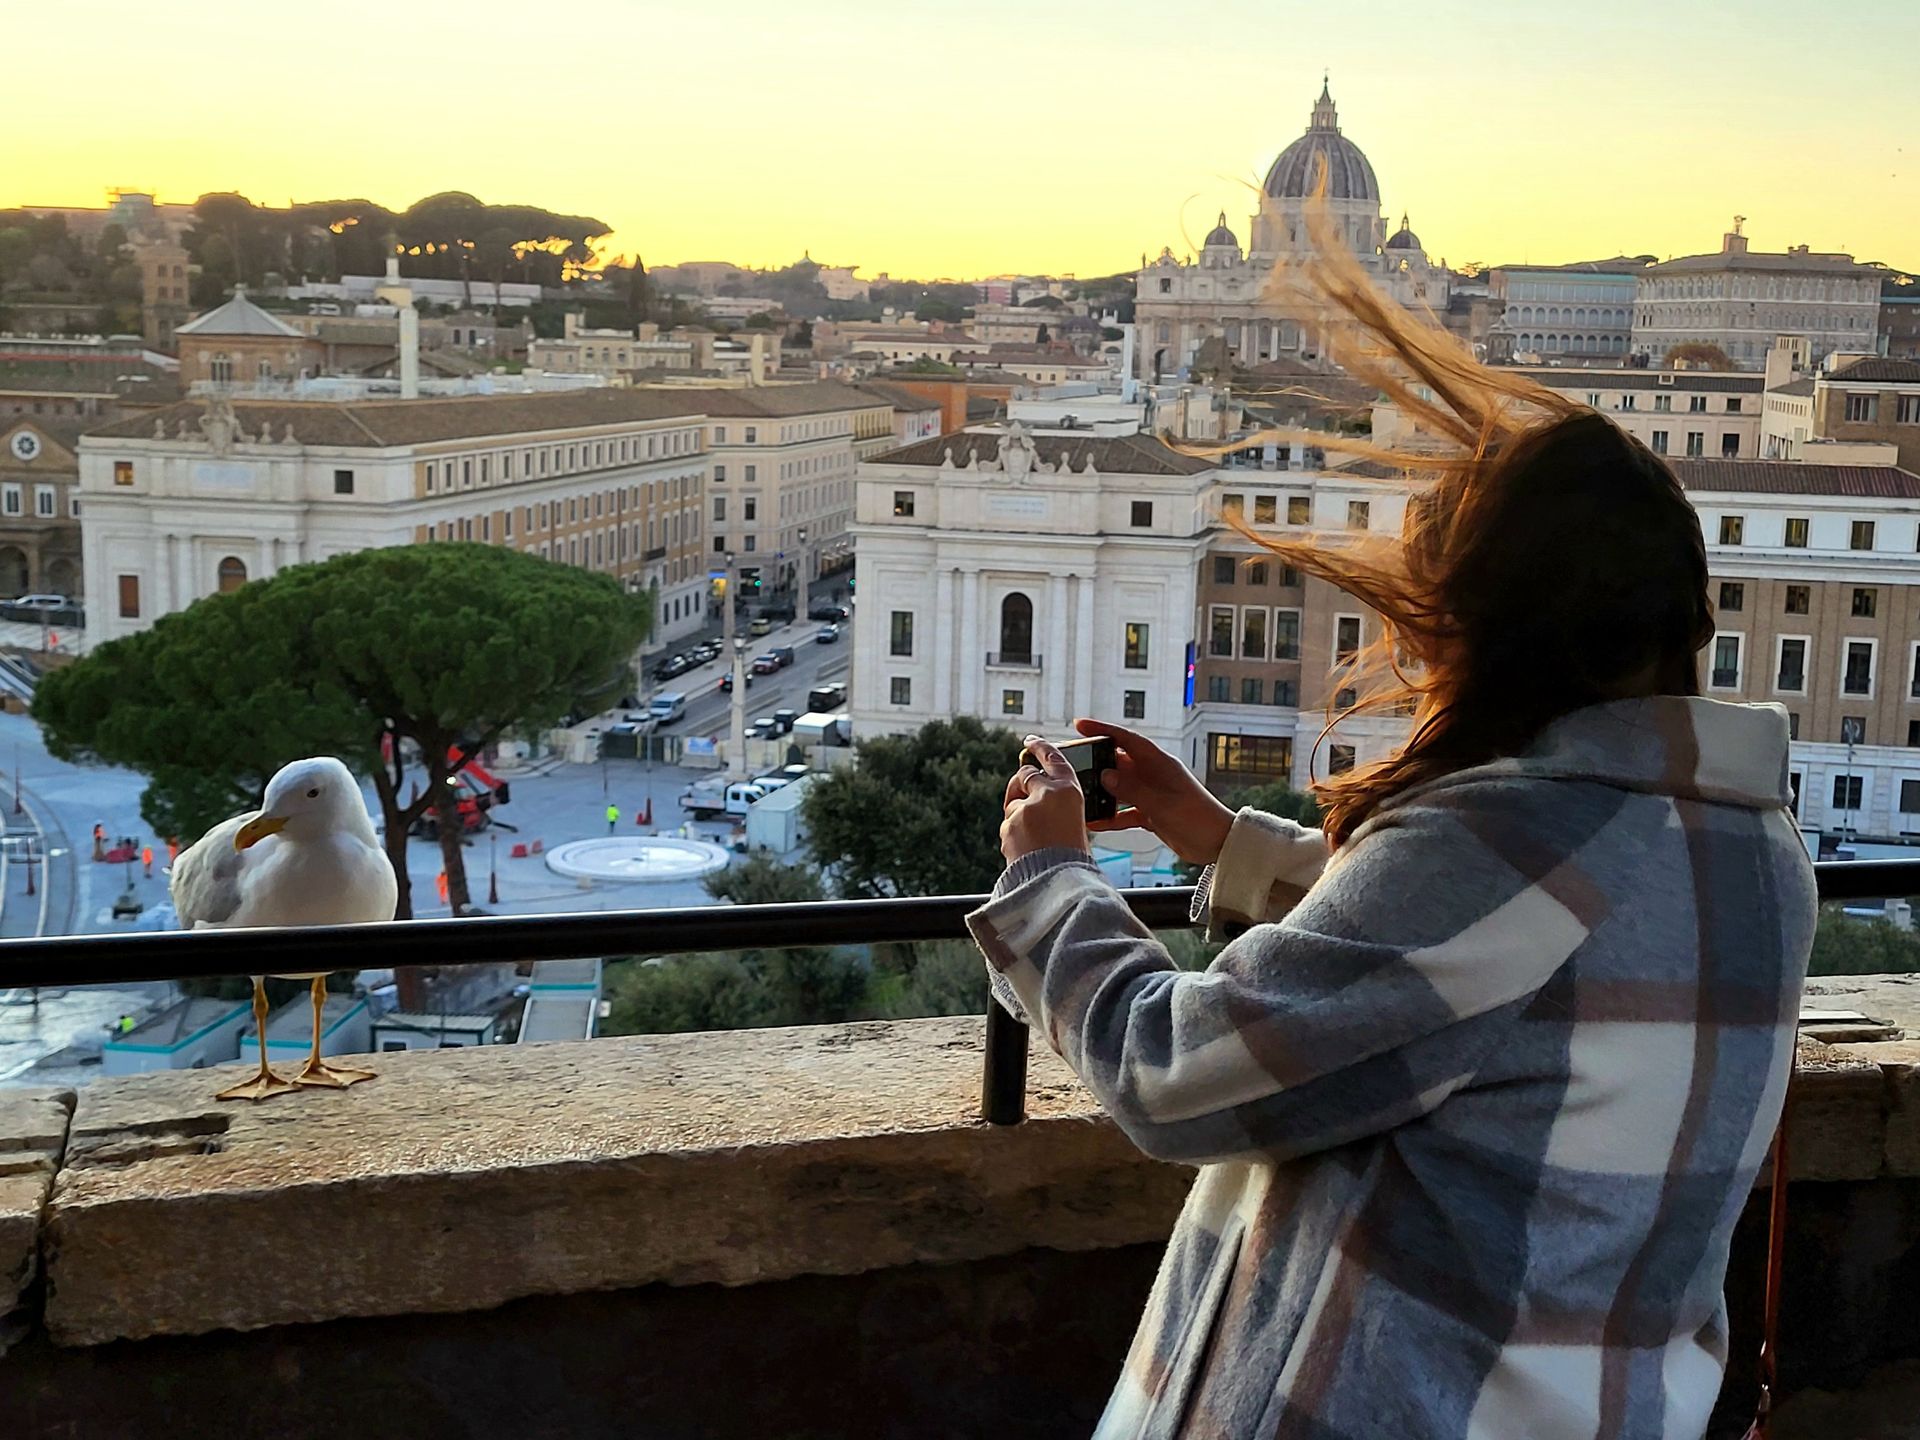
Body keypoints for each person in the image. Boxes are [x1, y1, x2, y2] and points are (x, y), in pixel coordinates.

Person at [969, 222, 1815, 1440]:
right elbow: (1514, 972)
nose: (1413, 653)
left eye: (1428, 616)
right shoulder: (1751, 848)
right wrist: (1226, 845)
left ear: (1492, 629)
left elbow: (1169, 1073)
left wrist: (1049, 879)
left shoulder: (1509, 845)